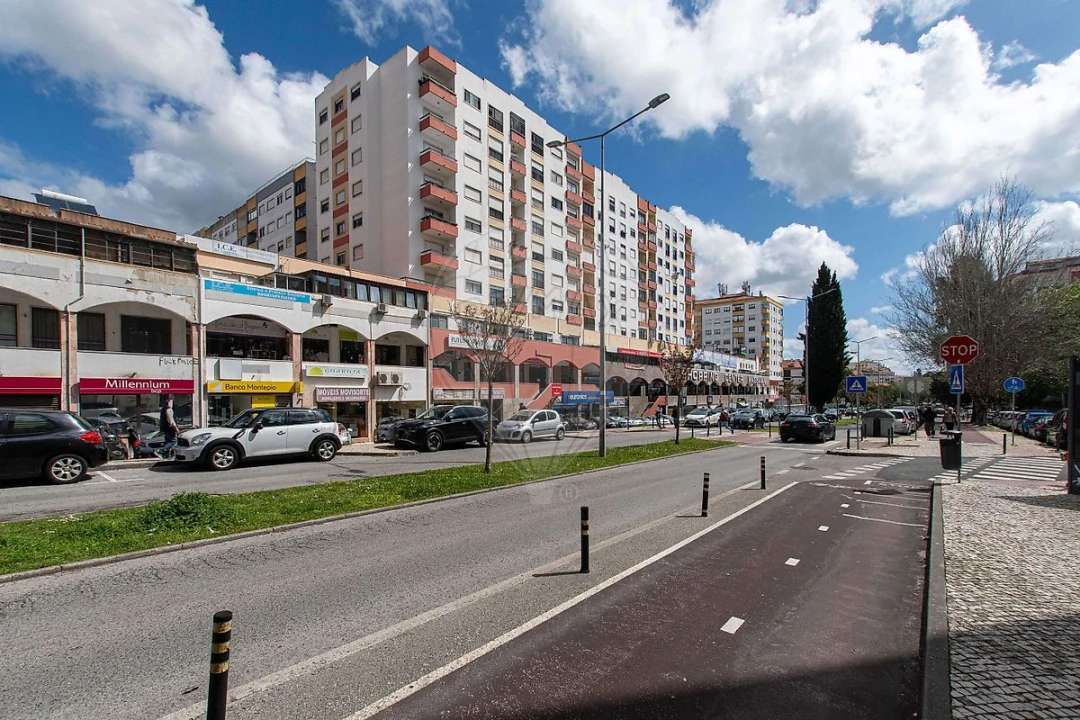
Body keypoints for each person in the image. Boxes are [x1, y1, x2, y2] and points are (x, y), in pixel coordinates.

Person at [157, 395, 180, 459]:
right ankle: (161, 451)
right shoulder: (168, 409)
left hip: (165, 428)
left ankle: (165, 455)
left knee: (167, 441)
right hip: (170, 428)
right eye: (171, 400)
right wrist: (175, 428)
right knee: (173, 441)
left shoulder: (163, 409)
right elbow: (170, 420)